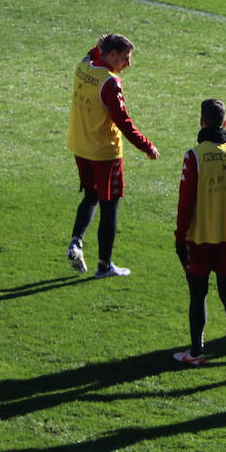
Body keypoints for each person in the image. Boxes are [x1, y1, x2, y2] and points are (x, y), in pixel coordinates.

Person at [65, 33, 159, 278]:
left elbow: (93, 52)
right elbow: (123, 122)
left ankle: (76, 242)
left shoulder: (84, 66)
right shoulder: (109, 83)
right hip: (104, 152)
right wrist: (147, 146)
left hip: (80, 145)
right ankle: (104, 265)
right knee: (110, 206)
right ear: (113, 55)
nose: (128, 64)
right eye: (125, 58)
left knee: (91, 195)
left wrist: (102, 43)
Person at [174, 99, 226, 378]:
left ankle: (196, 352)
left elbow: (186, 203)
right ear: (225, 122)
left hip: (199, 237)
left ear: (202, 122)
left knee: (198, 294)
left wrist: (179, 237)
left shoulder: (195, 156)